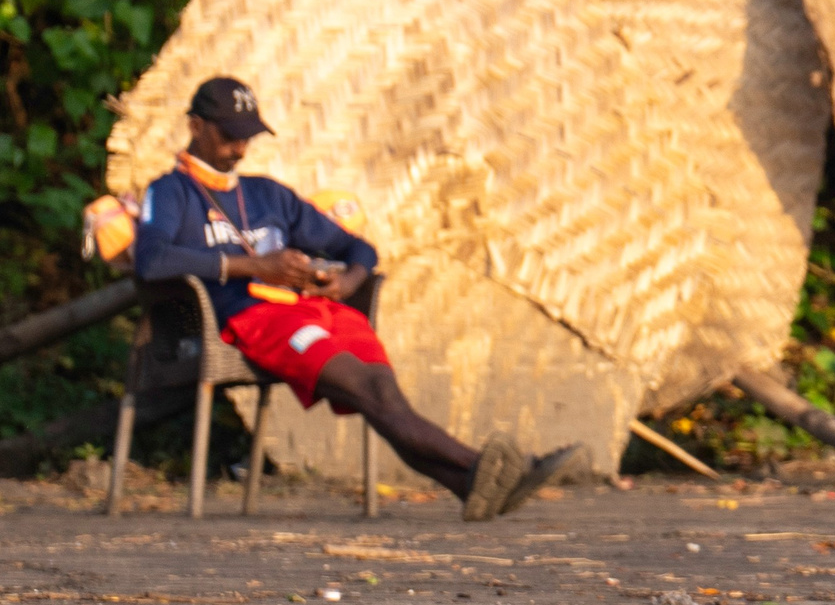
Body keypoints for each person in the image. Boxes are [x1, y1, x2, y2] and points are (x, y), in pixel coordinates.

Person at [127, 76, 582, 519]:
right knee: (367, 390)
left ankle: (469, 484)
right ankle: (496, 467)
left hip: (319, 307)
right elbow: (152, 260)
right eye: (230, 136)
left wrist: (347, 281)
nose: (240, 148)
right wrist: (253, 267)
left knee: (383, 391)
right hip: (256, 319)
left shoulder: (268, 194)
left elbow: (359, 249)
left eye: (248, 137)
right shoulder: (171, 192)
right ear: (195, 127)